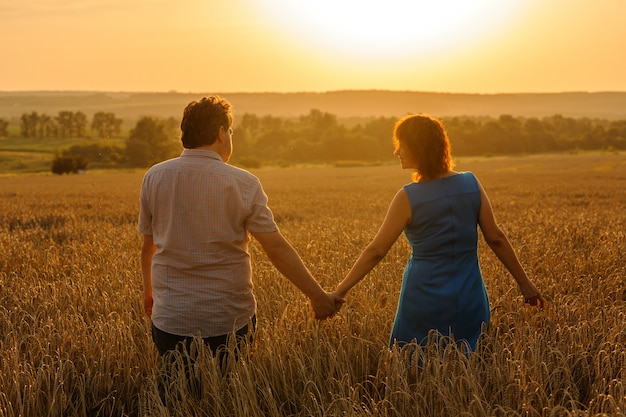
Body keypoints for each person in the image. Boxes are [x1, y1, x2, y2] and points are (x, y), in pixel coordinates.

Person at [138, 96, 343, 369]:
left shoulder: (155, 176)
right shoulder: (243, 183)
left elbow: (148, 247)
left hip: (171, 318)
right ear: (222, 133)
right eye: (230, 131)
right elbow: (276, 248)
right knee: (229, 396)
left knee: (176, 395)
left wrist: (149, 293)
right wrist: (317, 297)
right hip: (228, 319)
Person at [333, 113, 544, 353]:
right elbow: (495, 237)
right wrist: (524, 284)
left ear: (418, 147)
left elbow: (376, 251)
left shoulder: (408, 197)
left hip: (423, 299)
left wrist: (339, 291)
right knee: (472, 363)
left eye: (401, 145)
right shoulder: (471, 184)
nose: (396, 151)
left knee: (416, 365)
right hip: (469, 295)